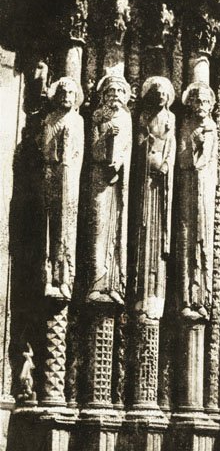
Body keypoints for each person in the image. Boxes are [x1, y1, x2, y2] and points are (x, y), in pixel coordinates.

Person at [87, 74, 132, 304]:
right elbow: (93, 150)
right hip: (100, 177)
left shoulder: (126, 118)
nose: (115, 95)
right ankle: (96, 282)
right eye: (111, 91)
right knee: (99, 226)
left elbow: (127, 147)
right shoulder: (98, 116)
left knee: (116, 228)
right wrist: (106, 135)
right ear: (104, 95)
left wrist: (120, 162)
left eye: (119, 91)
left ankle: (114, 284)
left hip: (118, 179)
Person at [39, 76, 84, 300]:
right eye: (63, 92)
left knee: (67, 226)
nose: (66, 96)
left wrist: (69, 160)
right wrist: (57, 150)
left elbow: (79, 152)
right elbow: (46, 151)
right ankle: (50, 278)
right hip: (53, 176)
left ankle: (65, 278)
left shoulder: (78, 121)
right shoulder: (50, 119)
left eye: (70, 93)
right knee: (52, 225)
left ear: (76, 98)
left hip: (70, 177)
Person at [135, 76, 176, 319]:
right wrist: (146, 143)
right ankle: (142, 297)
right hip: (145, 180)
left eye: (163, 94)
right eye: (156, 93)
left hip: (161, 184)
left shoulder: (171, 118)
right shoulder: (144, 117)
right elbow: (139, 142)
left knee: (159, 234)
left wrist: (166, 165)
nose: (160, 96)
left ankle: (155, 300)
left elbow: (171, 146)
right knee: (144, 228)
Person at [178, 81, 218, 320]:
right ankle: (186, 298)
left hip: (205, 190)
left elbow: (206, 162)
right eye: (197, 101)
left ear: (211, 105)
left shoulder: (212, 128)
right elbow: (183, 161)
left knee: (202, 241)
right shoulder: (186, 127)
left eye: (205, 102)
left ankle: (201, 298)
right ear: (191, 104)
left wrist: (201, 144)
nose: (201, 105)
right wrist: (193, 142)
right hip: (189, 188)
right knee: (187, 238)